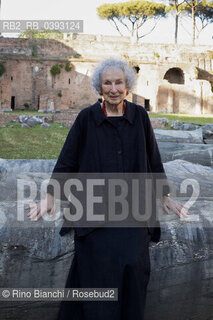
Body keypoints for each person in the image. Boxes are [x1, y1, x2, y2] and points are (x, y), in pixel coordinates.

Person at [26, 58, 189, 320]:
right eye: (107, 83)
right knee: (96, 273)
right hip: (94, 211)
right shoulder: (86, 118)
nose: (113, 88)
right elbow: (67, 160)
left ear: (127, 86)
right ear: (99, 88)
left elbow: (153, 157)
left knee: (133, 266)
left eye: (118, 82)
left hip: (134, 210)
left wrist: (164, 195)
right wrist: (49, 197)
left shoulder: (140, 117)